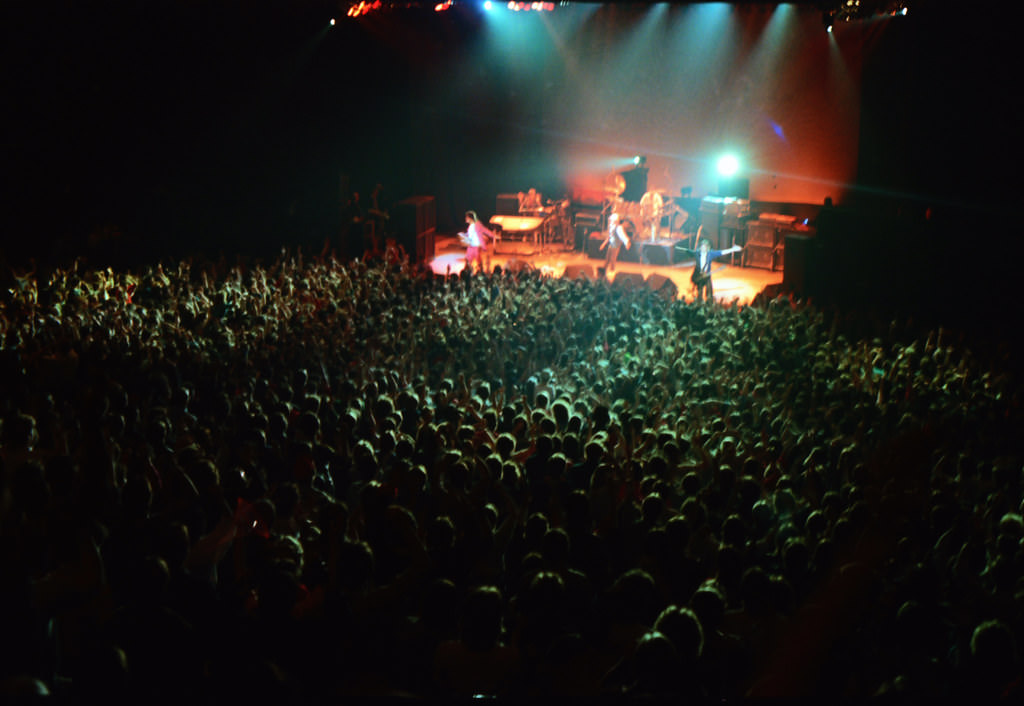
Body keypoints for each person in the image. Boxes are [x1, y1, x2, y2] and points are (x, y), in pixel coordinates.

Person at [678, 232, 741, 302]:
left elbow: (722, 252)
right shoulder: (697, 253)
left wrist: (733, 249)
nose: (703, 248)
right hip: (699, 276)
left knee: (709, 293)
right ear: (700, 247)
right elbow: (688, 251)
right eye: (702, 246)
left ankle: (709, 302)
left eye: (705, 247)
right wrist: (678, 248)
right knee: (699, 292)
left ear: (708, 248)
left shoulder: (710, 254)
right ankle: (699, 303)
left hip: (707, 276)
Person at [460, 210, 495, 275]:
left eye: (467, 217)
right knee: (468, 261)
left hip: (476, 246)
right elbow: (470, 236)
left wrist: (494, 235)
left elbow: (485, 231)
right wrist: (463, 236)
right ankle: (466, 274)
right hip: (471, 246)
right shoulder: (470, 226)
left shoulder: (478, 224)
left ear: (471, 218)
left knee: (478, 261)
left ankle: (480, 273)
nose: (465, 219)